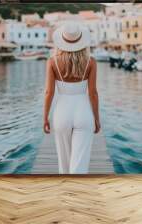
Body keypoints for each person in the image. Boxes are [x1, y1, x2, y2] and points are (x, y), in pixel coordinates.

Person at [42, 23, 101, 174]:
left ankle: (66, 194)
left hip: (62, 113)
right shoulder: (91, 62)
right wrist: (97, 118)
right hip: (84, 112)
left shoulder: (52, 62)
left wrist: (45, 118)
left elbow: (49, 92)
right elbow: (93, 93)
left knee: (64, 164)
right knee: (80, 165)